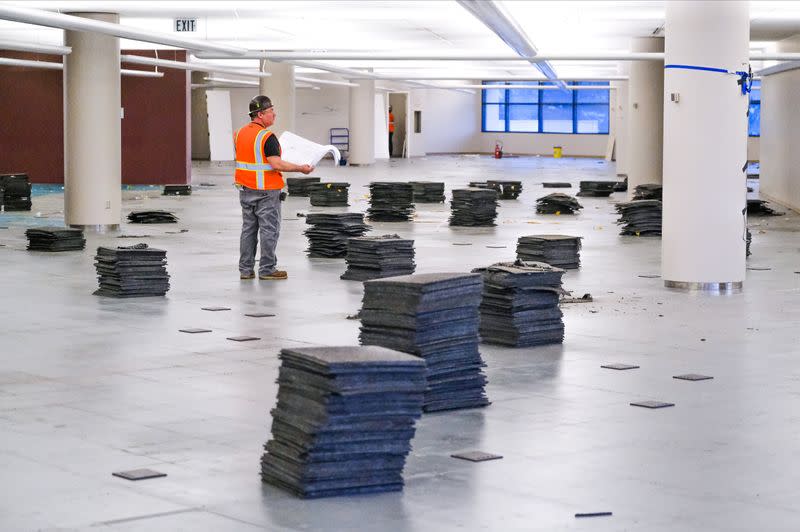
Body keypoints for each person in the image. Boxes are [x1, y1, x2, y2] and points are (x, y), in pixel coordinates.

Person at [234, 95, 313, 280]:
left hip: (245, 190)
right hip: (266, 192)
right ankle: (267, 269)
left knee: (248, 230)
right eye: (271, 111)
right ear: (260, 114)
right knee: (269, 230)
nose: (274, 114)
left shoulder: (239, 133)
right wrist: (301, 168)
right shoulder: (267, 137)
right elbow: (276, 164)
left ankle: (245, 270)